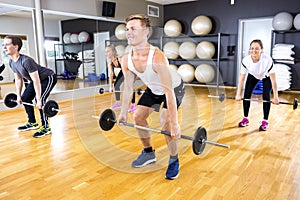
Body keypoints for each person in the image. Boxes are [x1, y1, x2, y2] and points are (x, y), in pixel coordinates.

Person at [118, 14, 185, 180]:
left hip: (173, 88)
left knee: (165, 123)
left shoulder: (156, 56)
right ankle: (148, 153)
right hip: (154, 88)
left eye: (133, 28)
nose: (128, 33)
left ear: (146, 31)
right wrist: (123, 111)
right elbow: (127, 87)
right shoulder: (126, 59)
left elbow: (168, 91)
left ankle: (174, 159)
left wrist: (175, 124)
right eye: (127, 29)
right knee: (138, 117)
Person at [3, 36, 57, 138]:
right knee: (25, 98)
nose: (4, 47)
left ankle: (46, 127)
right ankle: (32, 122)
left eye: (7, 44)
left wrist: (39, 99)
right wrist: (18, 96)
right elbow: (18, 79)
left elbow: (36, 80)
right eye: (4, 44)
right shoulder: (12, 62)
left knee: (41, 100)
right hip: (35, 80)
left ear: (15, 46)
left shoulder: (26, 61)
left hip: (48, 77)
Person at [236, 39, 279, 131]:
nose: (254, 51)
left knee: (266, 97)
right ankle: (245, 118)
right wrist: (238, 94)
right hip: (253, 75)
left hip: (266, 76)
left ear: (261, 50)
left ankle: (265, 121)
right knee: (246, 94)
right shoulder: (246, 60)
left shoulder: (267, 60)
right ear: (249, 50)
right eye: (252, 48)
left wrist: (276, 97)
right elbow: (241, 79)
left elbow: (273, 80)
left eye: (256, 48)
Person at [106, 44, 136, 112]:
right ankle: (117, 103)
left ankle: (133, 105)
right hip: (123, 70)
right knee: (116, 85)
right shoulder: (110, 61)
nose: (106, 53)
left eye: (108, 51)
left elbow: (126, 70)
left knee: (130, 86)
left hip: (130, 69)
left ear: (113, 52)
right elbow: (111, 74)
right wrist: (110, 86)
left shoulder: (120, 58)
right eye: (106, 51)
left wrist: (128, 82)